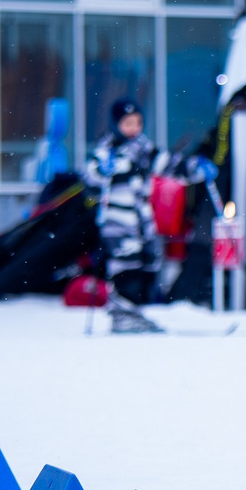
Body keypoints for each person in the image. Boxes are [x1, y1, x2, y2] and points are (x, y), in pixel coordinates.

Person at [82, 98, 166, 333]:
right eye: (128, 123)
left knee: (146, 265)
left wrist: (192, 168)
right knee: (125, 266)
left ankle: (133, 312)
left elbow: (165, 163)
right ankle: (122, 314)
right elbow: (90, 175)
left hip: (141, 221)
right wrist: (104, 170)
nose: (133, 128)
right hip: (117, 222)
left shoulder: (143, 149)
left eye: (137, 122)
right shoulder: (106, 150)